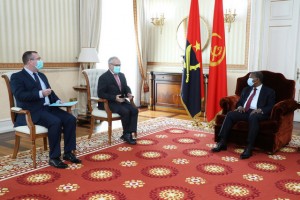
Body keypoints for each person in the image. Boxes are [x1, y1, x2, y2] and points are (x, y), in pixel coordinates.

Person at [10, 51, 81, 168]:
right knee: (55, 122)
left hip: (49, 108)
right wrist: (40, 94)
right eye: (38, 58)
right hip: (33, 111)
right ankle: (54, 157)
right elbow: (20, 95)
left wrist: (58, 101)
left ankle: (68, 153)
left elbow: (50, 92)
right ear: (30, 62)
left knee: (70, 119)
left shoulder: (42, 75)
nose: (41, 61)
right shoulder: (17, 77)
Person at [211, 71, 275, 159]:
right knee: (230, 114)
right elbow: (240, 102)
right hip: (245, 111)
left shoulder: (269, 91)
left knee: (253, 117)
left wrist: (260, 110)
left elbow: (271, 106)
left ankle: (249, 146)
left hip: (258, 113)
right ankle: (222, 142)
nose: (248, 80)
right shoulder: (246, 89)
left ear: (257, 80)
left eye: (250, 78)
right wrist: (240, 106)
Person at [97, 56, 138, 145]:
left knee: (134, 110)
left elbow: (126, 87)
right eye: (116, 65)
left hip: (122, 100)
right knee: (126, 111)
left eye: (119, 65)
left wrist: (128, 93)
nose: (118, 67)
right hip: (109, 102)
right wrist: (114, 97)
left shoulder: (121, 75)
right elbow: (100, 94)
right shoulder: (103, 77)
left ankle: (128, 133)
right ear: (109, 65)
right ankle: (127, 134)